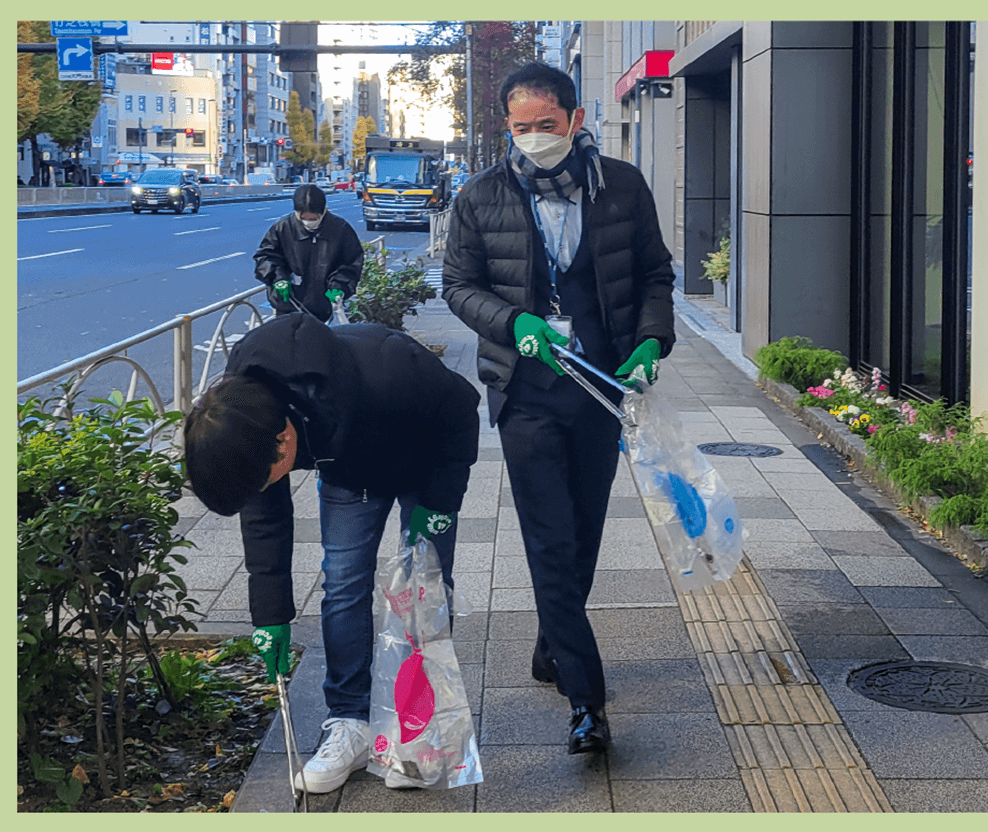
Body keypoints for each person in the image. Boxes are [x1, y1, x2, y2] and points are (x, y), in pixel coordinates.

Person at [442, 61, 675, 754]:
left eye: (548, 125)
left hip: (602, 388)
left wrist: (651, 341)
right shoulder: (480, 196)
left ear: (576, 121)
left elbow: (656, 272)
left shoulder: (622, 188)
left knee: (585, 531)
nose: (536, 138)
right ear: (505, 128)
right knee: (549, 537)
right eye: (522, 128)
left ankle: (552, 646)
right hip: (527, 392)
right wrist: (511, 323)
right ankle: (587, 702)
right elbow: (458, 285)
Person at [183, 312, 480, 792]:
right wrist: (270, 615)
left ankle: (416, 730)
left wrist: (441, 505)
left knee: (423, 590)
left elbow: (461, 409)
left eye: (266, 477)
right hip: (350, 470)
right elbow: (264, 517)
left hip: (423, 453)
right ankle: (351, 721)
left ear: (283, 444)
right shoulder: (243, 414)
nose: (265, 488)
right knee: (343, 581)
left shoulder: (386, 371)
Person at [254, 184, 364, 322]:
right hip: (288, 306)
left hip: (324, 307)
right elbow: (265, 257)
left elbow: (352, 262)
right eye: (304, 216)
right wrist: (278, 278)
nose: (309, 221)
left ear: (323, 211)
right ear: (296, 212)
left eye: (313, 217)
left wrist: (339, 286)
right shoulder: (283, 228)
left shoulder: (340, 229)